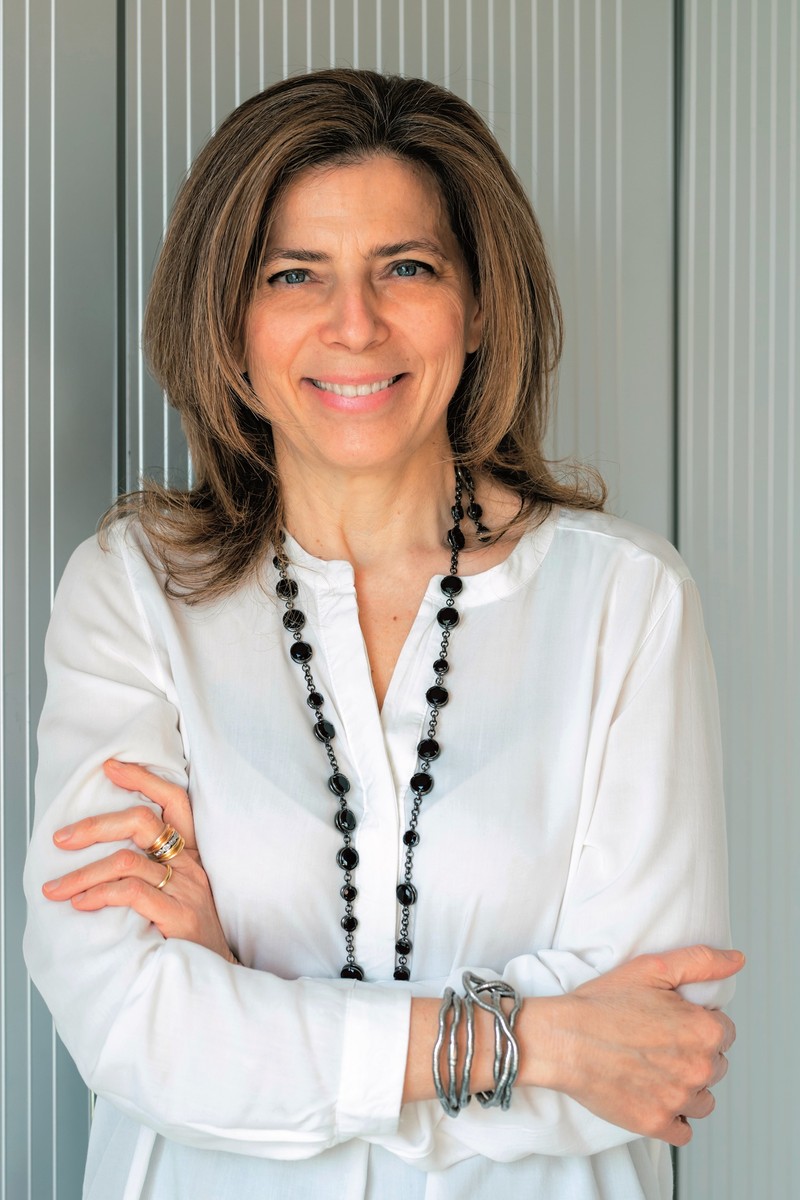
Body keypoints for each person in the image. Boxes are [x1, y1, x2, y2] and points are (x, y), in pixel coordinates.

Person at [24, 68, 741, 1200]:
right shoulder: (134, 591)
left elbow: (651, 1053)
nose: (353, 325)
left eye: (405, 267)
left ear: (479, 305)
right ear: (229, 322)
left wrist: (249, 1012)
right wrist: (543, 1040)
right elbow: (129, 1023)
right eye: (293, 274)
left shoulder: (625, 603)